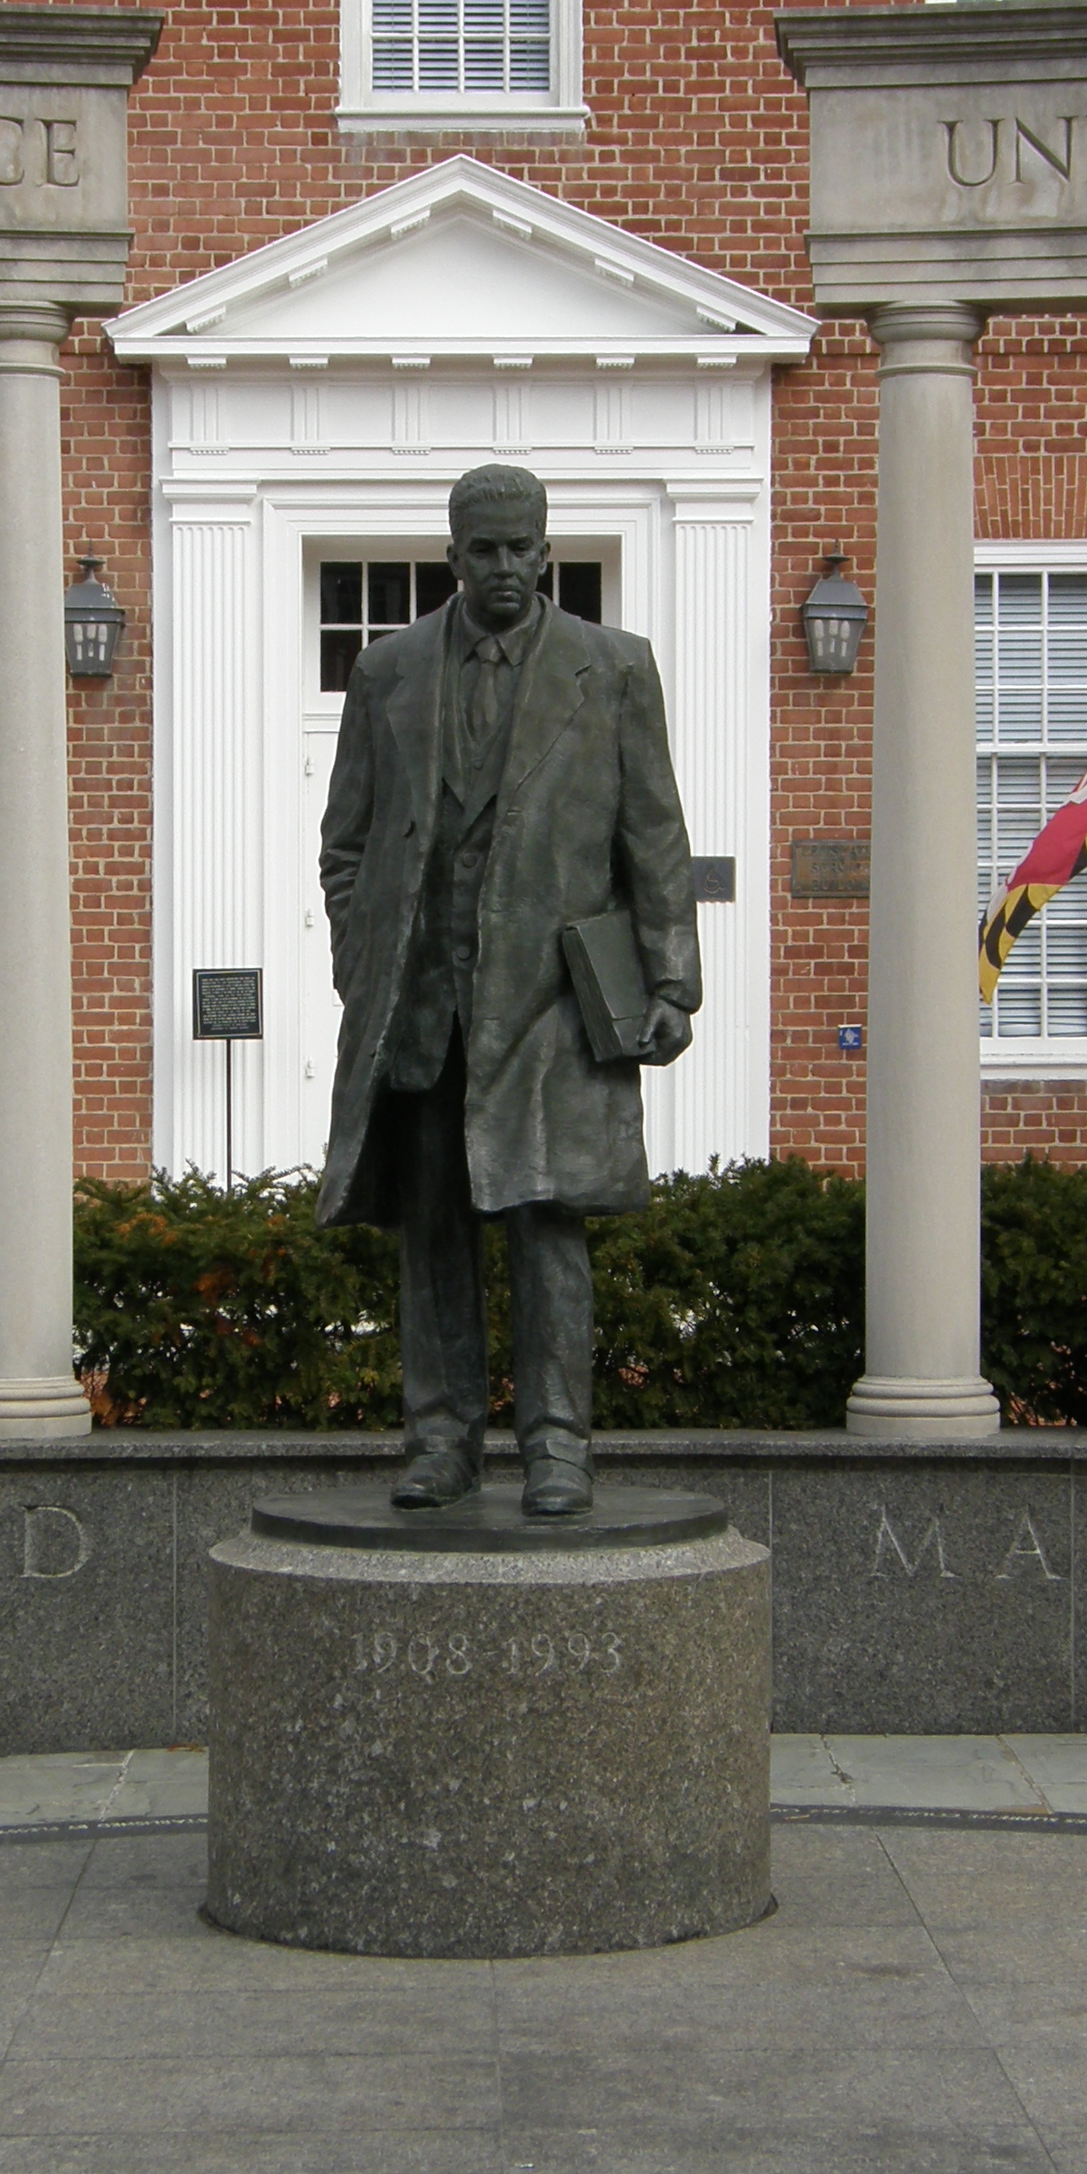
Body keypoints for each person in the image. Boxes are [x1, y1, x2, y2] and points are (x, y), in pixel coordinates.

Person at [315, 464, 701, 1516]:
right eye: (479, 550)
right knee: (433, 1233)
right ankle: (441, 1441)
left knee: (546, 1227)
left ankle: (557, 1448)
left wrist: (672, 981)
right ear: (453, 556)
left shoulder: (612, 669)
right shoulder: (386, 672)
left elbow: (653, 837)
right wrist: (367, 959)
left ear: (545, 551)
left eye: (517, 548)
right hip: (422, 1006)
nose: (501, 567)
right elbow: (344, 846)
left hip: (551, 1007)